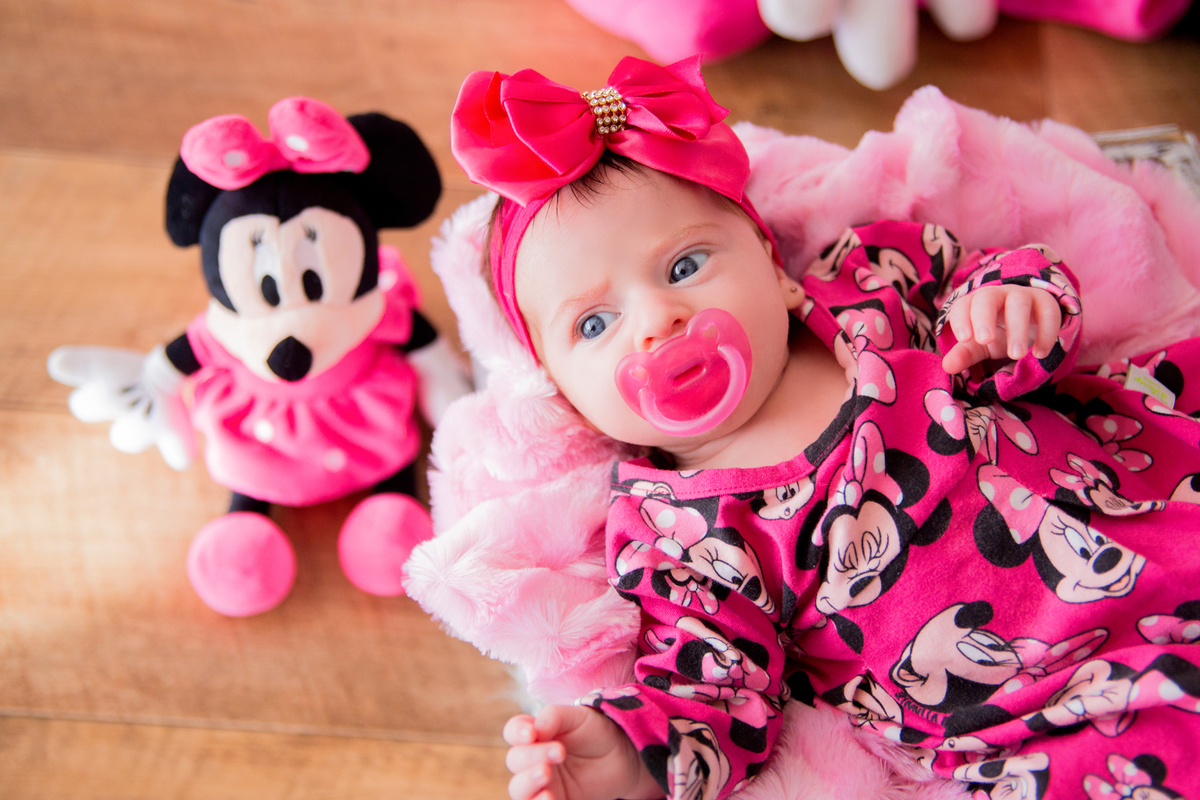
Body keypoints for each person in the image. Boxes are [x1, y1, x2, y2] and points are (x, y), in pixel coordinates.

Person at [449, 56, 1200, 800]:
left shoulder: (869, 285)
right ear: (570, 401)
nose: (655, 321)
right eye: (595, 322)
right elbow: (711, 692)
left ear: (773, 266)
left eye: (684, 267)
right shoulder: (673, 528)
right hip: (1043, 715)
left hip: (1142, 509)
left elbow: (996, 281)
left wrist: (1011, 304)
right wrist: (626, 756)